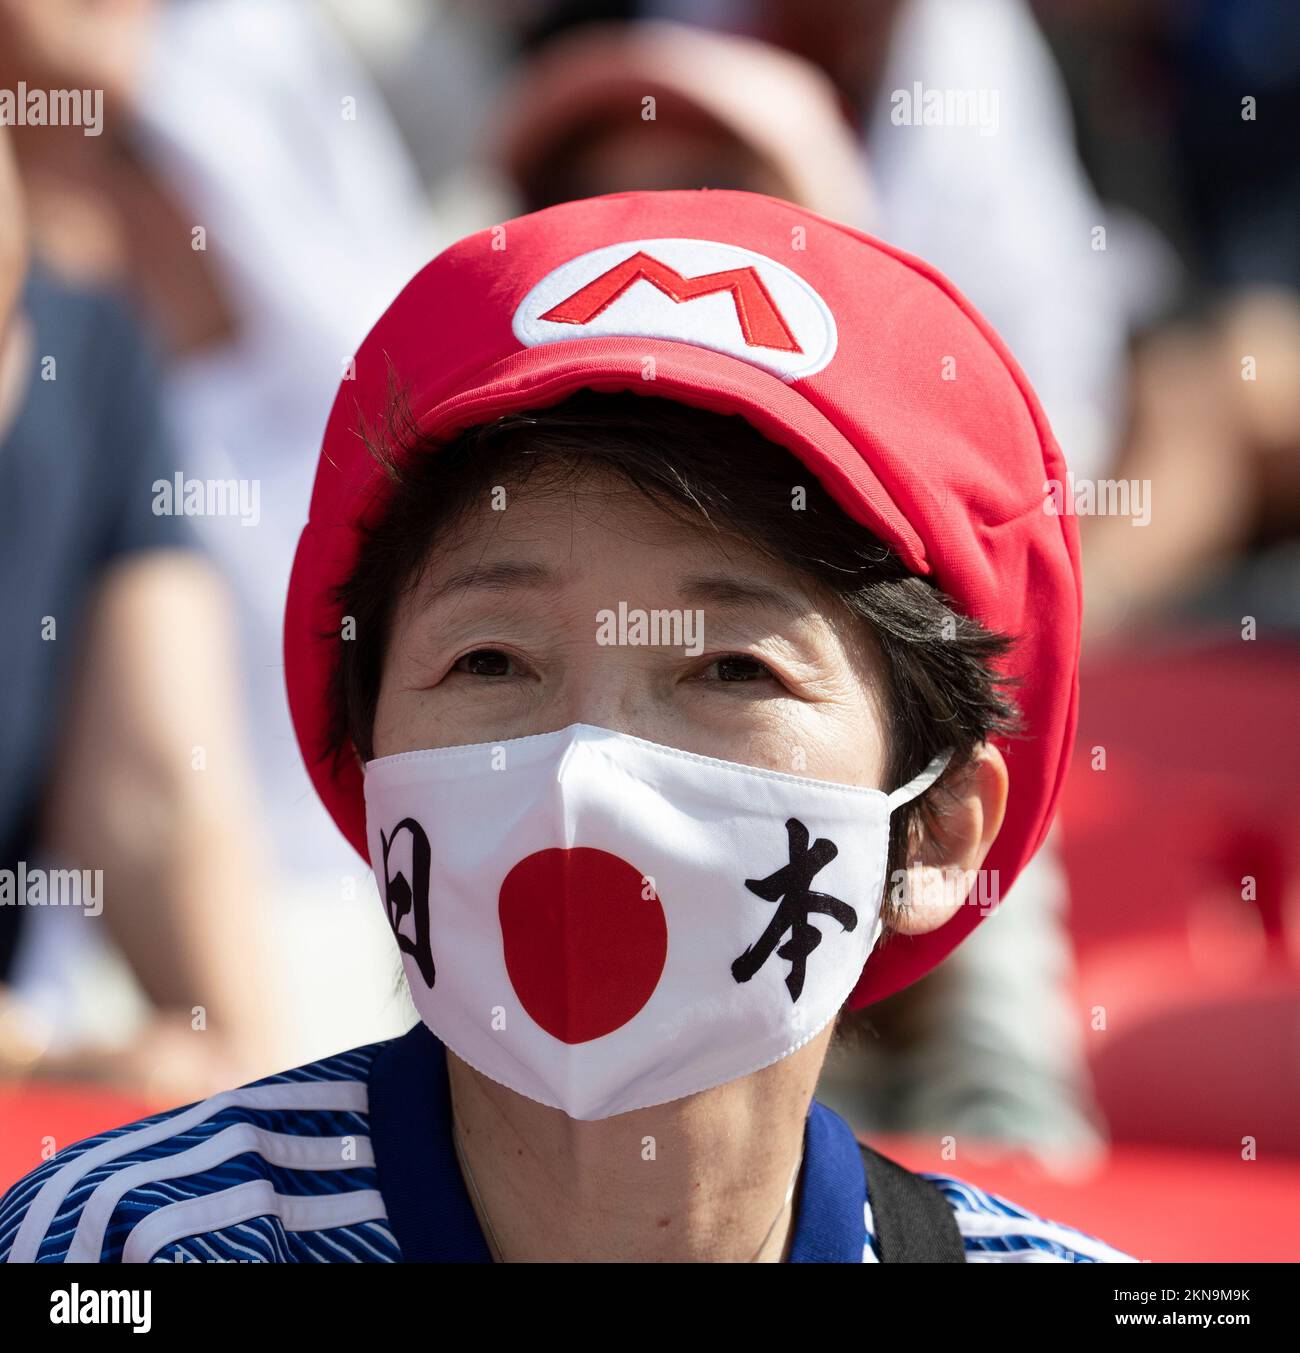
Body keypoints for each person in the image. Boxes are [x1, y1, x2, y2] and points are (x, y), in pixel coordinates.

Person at [0, 189, 1139, 1262]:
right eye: (489, 659)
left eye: (730, 669)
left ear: (936, 830)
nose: (583, 769)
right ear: (370, 761)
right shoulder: (114, 1249)